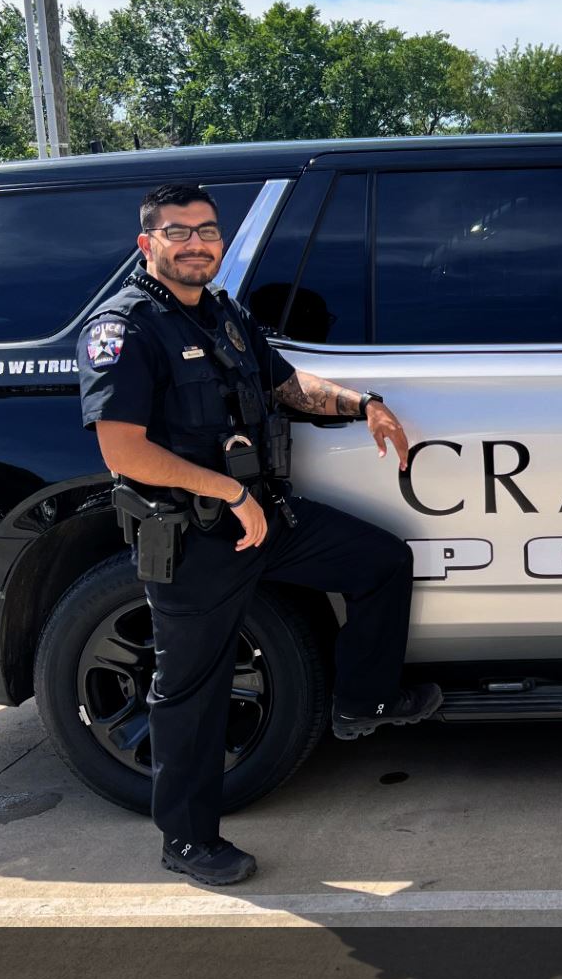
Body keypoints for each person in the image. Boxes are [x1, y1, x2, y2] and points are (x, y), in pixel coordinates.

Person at [77, 183, 441, 887]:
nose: (197, 244)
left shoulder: (223, 314)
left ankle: (362, 701)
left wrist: (362, 404)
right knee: (191, 691)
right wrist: (230, 491)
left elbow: (283, 383)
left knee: (380, 562)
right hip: (192, 539)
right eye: (178, 233)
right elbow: (123, 450)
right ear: (147, 244)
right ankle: (186, 841)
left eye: (207, 231)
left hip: (263, 519)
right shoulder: (123, 328)